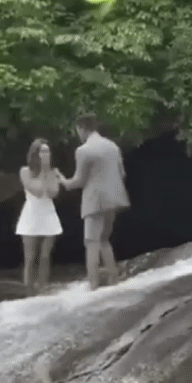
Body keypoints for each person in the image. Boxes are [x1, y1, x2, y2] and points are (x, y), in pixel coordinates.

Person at [58, 112, 130, 290]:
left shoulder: (83, 150)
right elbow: (122, 173)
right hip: (114, 198)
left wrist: (63, 181)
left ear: (82, 128)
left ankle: (93, 284)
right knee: (104, 239)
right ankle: (114, 278)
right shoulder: (112, 146)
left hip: (95, 201)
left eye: (77, 130)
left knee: (91, 242)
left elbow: (79, 181)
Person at [16, 138, 63, 294]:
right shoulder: (25, 171)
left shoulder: (53, 172)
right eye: (43, 151)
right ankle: (28, 292)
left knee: (45, 256)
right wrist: (43, 171)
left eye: (48, 151)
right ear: (35, 154)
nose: (46, 154)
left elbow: (52, 192)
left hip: (48, 214)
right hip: (31, 214)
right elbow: (36, 191)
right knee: (30, 258)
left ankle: (43, 290)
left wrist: (48, 171)